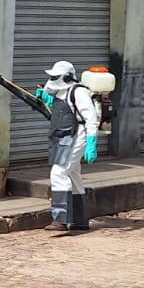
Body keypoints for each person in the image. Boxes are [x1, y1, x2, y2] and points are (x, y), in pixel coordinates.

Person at [40, 60, 101, 233]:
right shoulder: (60, 91)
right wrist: (44, 95)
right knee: (73, 175)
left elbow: (91, 118)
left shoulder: (78, 91)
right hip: (63, 137)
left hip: (77, 135)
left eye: (55, 76)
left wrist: (91, 143)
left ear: (66, 77)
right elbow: (50, 95)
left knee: (59, 172)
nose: (52, 79)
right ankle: (79, 220)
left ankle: (60, 219)